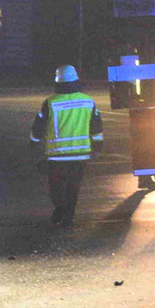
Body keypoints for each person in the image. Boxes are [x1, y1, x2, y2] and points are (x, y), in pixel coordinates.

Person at [31, 65, 102, 225]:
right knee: (73, 185)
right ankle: (69, 214)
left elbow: (39, 126)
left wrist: (33, 142)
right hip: (80, 153)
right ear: (76, 80)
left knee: (56, 186)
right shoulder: (88, 101)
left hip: (57, 155)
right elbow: (96, 126)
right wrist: (98, 145)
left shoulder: (50, 103)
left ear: (57, 82)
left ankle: (59, 209)